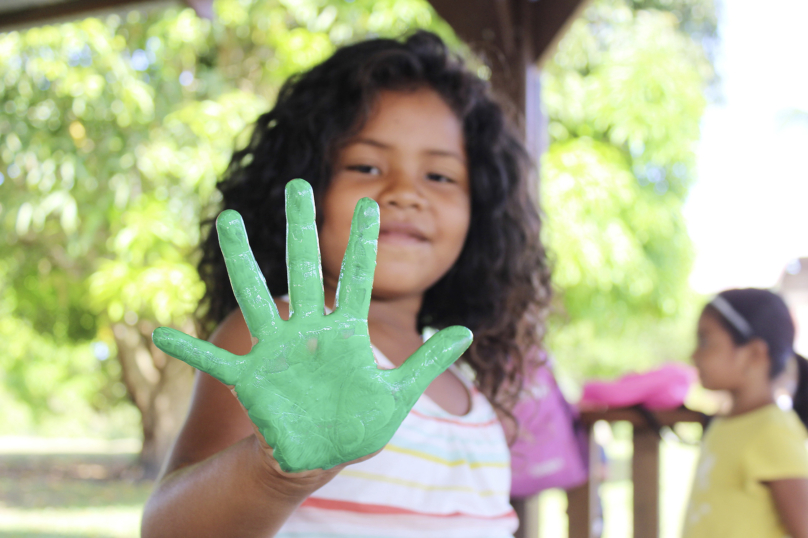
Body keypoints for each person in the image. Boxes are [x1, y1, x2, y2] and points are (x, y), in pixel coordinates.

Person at [140, 30, 551, 538]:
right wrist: (275, 475)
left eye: (440, 176)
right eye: (366, 166)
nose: (404, 193)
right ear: (307, 185)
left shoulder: (467, 383)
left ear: (481, 212)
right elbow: (169, 532)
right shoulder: (279, 344)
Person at [684, 288, 808, 538]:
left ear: (754, 354)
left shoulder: (774, 431)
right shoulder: (724, 423)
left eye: (705, 341)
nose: (694, 355)